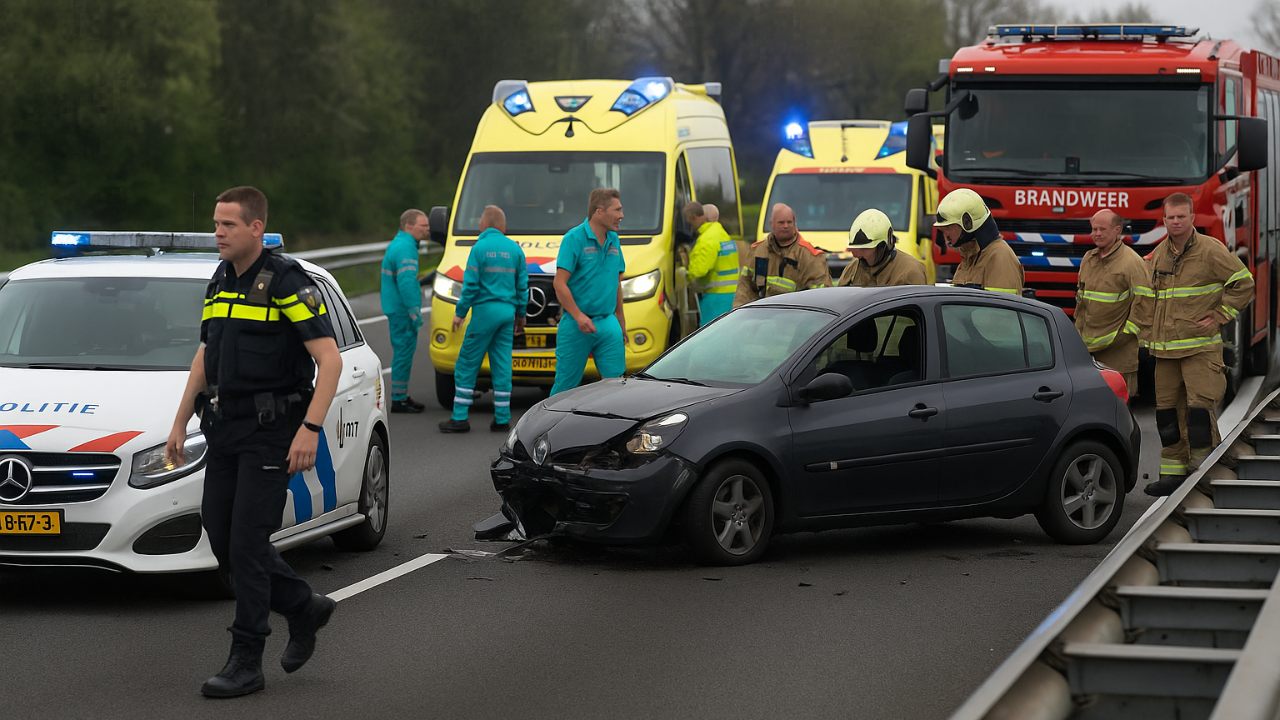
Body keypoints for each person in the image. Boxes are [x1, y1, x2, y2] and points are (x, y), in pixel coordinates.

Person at [165, 186, 341, 698]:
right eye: (216, 224)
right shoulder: (220, 279)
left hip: (271, 432)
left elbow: (329, 361)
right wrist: (179, 422)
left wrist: (309, 429)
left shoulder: (286, 280)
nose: (217, 233)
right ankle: (303, 606)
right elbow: (205, 356)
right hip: (223, 428)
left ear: (256, 227)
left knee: (246, 542)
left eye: (228, 225)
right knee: (221, 536)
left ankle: (247, 659)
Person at [1135, 192, 1254, 496]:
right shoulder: (1158, 255)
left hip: (1200, 350)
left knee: (1199, 416)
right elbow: (1147, 297)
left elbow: (1244, 283)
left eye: (1181, 216)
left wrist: (1219, 315)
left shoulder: (1210, 250)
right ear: (1164, 220)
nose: (1175, 222)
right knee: (1167, 418)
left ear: (1192, 218)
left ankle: (1203, 478)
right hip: (1165, 352)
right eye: (1170, 217)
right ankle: (1173, 476)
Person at [440, 206, 528, 433]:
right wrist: (521, 315)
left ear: (485, 224)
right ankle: (502, 418)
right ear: (503, 226)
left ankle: (459, 417)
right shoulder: (515, 249)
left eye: (480, 221)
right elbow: (522, 287)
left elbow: (470, 286)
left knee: (467, 363)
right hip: (507, 314)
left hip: (484, 314)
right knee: (502, 364)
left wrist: (460, 312)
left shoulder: (478, 249)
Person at [549, 188, 628, 396]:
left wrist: (621, 320)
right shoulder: (573, 238)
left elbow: (616, 282)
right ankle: (552, 419)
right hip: (576, 324)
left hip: (608, 323)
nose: (622, 215)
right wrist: (579, 316)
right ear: (599, 212)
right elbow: (559, 284)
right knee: (565, 388)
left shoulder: (614, 239)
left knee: (617, 386)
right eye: (617, 210)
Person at [1074, 209, 1146, 396]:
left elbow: (1146, 304)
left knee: (1117, 407)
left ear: (1117, 230)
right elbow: (1081, 304)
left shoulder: (1131, 262)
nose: (1097, 234)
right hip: (1087, 351)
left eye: (1102, 229)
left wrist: (1125, 334)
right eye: (1094, 229)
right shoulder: (1088, 259)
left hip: (1117, 354)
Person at [380, 209, 431, 413]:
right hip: (402, 310)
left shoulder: (400, 244)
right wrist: (414, 311)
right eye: (423, 225)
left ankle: (400, 396)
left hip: (396, 308)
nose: (427, 229)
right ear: (408, 225)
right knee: (403, 353)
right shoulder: (406, 248)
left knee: (402, 353)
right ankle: (399, 400)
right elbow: (407, 281)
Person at [733, 203, 828, 308]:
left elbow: (821, 296)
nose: (786, 226)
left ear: (795, 223)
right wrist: (739, 310)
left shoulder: (810, 256)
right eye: (781, 222)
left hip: (796, 313)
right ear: (772, 224)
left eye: (789, 222)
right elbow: (745, 286)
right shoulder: (758, 251)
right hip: (763, 313)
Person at [936, 188, 1023, 294]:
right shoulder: (969, 258)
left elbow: (1001, 304)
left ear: (967, 223)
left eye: (948, 228)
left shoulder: (1000, 257)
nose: (945, 235)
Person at [836, 208, 927, 287]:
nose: (857, 255)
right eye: (855, 249)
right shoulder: (852, 268)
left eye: (864, 249)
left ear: (884, 247)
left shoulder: (911, 272)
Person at [683, 201, 739, 325]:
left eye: (689, 222)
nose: (689, 226)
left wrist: (685, 275)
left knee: (710, 331)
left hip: (715, 296)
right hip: (731, 294)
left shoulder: (707, 239)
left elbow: (699, 270)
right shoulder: (721, 233)